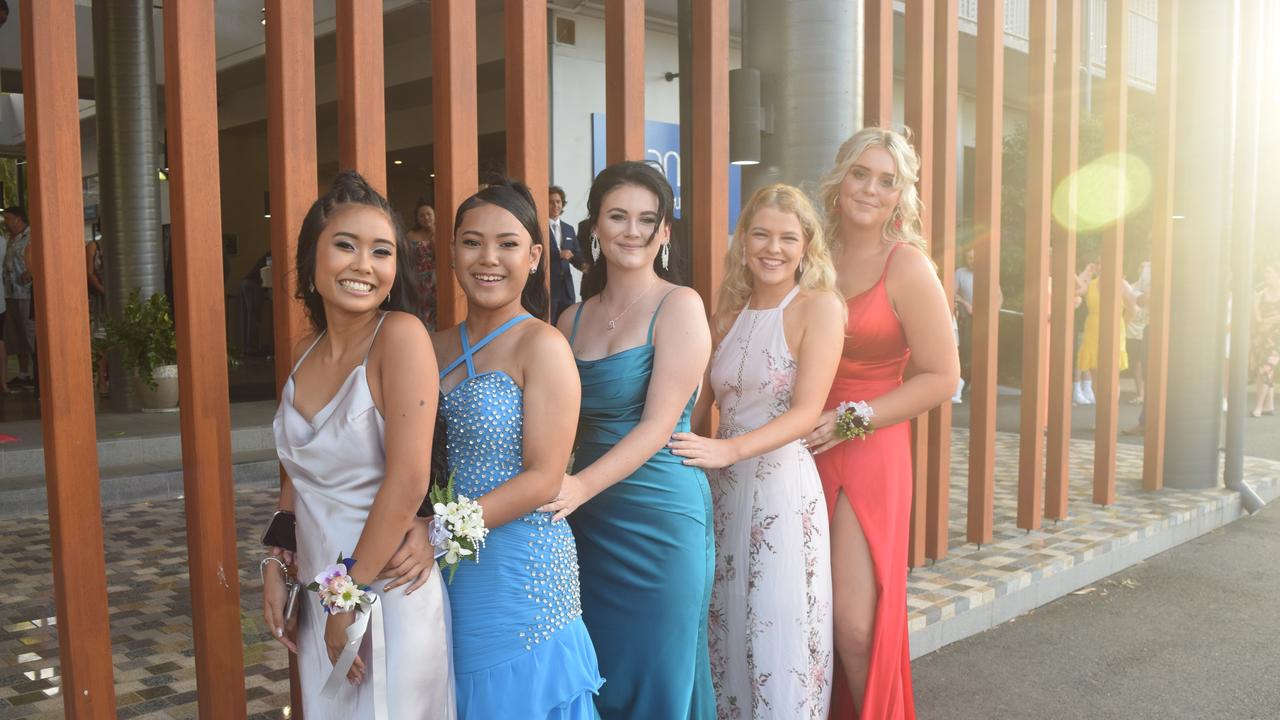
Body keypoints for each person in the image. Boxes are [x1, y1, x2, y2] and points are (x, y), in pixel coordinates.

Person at [263, 171, 456, 718]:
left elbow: (409, 478)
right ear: (311, 258)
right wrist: (275, 567)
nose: (363, 265)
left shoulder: (399, 337)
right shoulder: (303, 350)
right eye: (345, 245)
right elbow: (293, 477)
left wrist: (346, 598)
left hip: (380, 587)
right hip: (320, 591)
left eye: (381, 251)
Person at [544, 161, 716, 719]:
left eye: (648, 219)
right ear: (594, 226)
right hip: (586, 524)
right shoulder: (569, 320)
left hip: (659, 520)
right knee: (599, 675)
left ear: (665, 232)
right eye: (618, 216)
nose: (632, 230)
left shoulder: (679, 305)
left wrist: (577, 487)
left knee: (657, 674)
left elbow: (658, 425)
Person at [426, 180, 603, 718]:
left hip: (520, 570)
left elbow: (545, 477)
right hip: (441, 575)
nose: (488, 258)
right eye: (472, 242)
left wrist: (435, 533)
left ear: (533, 256)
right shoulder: (428, 346)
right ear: (452, 251)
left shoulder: (542, 345)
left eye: (506, 244)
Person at [669, 184, 844, 719]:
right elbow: (699, 410)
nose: (773, 248)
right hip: (721, 490)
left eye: (788, 238)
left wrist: (729, 451)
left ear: (806, 246)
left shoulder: (820, 308)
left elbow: (806, 412)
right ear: (742, 241)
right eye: (761, 234)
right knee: (725, 621)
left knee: (777, 626)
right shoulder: (727, 315)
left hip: (781, 493)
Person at [803, 128, 959, 720]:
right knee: (804, 618)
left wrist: (852, 420)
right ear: (840, 179)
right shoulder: (810, 254)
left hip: (867, 443)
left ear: (901, 195)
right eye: (861, 174)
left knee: (856, 627)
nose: (871, 188)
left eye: (887, 180)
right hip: (798, 440)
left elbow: (942, 376)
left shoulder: (907, 264)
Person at [1075, 260, 1139, 405]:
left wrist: (1120, 325)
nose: (1102, 264)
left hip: (1113, 332)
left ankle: (1110, 414)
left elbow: (1133, 310)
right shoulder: (1091, 284)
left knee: (1110, 377)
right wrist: (1086, 273)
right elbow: (1074, 289)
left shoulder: (1122, 284)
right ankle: (1101, 414)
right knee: (1095, 376)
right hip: (1092, 332)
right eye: (1099, 262)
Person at [3, 207, 35, 387]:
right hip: (10, 292)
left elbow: (37, 259)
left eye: (8, 218)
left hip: (26, 293)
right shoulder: (10, 239)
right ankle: (24, 374)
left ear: (19, 219)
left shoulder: (32, 236)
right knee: (17, 334)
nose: (6, 223)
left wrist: (31, 272)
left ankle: (38, 371)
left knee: (29, 332)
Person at [549, 185, 589, 323]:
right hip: (549, 287)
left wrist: (586, 267)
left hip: (566, 288)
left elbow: (576, 254)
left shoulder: (568, 229)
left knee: (567, 324)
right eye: (551, 202)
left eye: (558, 202)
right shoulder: (540, 228)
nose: (555, 205)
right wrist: (558, 254)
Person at [1250, 262, 1280, 417]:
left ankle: (1259, 407)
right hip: (1260, 338)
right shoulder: (1261, 294)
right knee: (1267, 370)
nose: (1266, 275)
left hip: (1275, 340)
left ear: (1277, 274)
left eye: (1269, 272)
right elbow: (1256, 317)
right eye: (1265, 273)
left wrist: (1266, 320)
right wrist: (1255, 300)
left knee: (1266, 368)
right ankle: (1269, 406)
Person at [407, 199, 438, 330]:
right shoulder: (411, 235)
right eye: (422, 215)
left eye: (429, 214)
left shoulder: (440, 233)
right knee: (419, 308)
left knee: (436, 308)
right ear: (417, 218)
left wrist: (434, 234)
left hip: (435, 277)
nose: (426, 218)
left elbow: (439, 256)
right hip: (417, 277)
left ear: (434, 214)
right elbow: (406, 258)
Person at [1125, 261, 1151, 405]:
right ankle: (1140, 393)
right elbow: (1138, 303)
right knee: (1136, 364)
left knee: (1144, 363)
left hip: (1145, 329)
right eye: (1140, 266)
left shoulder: (1151, 288)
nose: (1143, 269)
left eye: (1145, 267)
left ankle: (1145, 394)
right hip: (1133, 332)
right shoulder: (1132, 287)